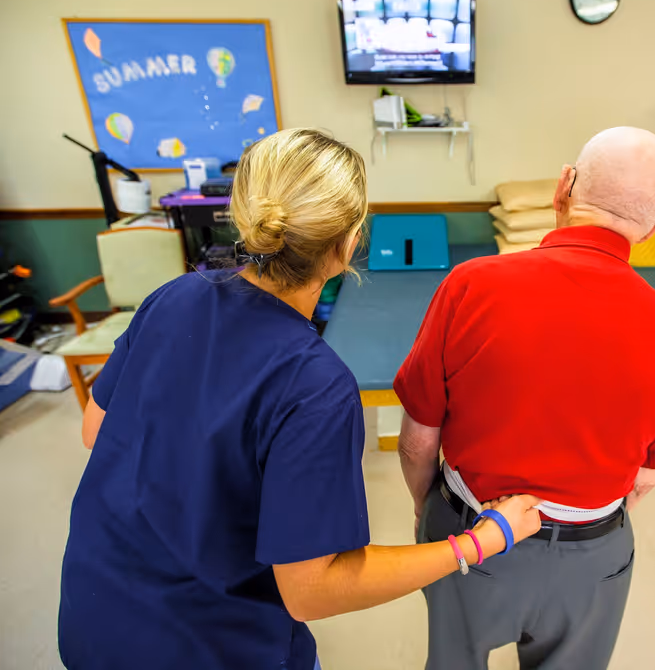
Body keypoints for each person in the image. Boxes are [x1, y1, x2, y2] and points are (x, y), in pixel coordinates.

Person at [58, 129, 542, 670]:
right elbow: (312, 589)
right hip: (207, 647)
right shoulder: (313, 384)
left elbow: (95, 431)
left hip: (93, 616)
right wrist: (481, 541)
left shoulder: (173, 295)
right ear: (349, 243)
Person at [396, 127, 655, 670]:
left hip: (474, 534)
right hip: (593, 557)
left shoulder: (471, 285)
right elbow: (649, 475)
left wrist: (429, 512)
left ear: (563, 187)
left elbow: (418, 442)